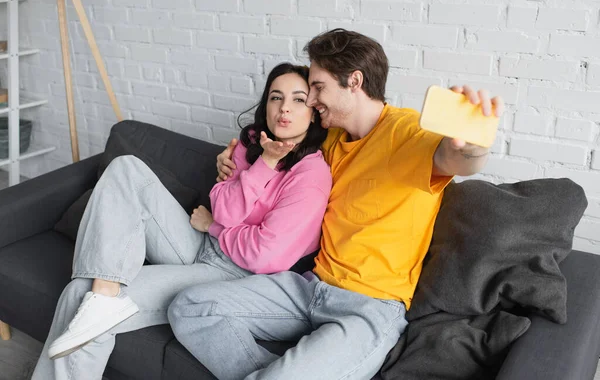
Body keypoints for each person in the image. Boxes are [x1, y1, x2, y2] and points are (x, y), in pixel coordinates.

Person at [168, 28, 504, 380]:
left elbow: (460, 160)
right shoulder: (329, 138)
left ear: (354, 81)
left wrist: (473, 143)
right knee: (190, 307)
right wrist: (231, 158)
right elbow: (267, 141)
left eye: (317, 87)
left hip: (368, 306)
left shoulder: (407, 132)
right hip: (308, 287)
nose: (310, 100)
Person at [31, 63, 332, 380]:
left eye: (299, 100)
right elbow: (226, 209)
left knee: (79, 294)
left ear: (313, 113)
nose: (284, 108)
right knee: (126, 169)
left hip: (235, 277)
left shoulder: (310, 176)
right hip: (201, 245)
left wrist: (214, 226)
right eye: (275, 97)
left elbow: (265, 257)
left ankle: (101, 299)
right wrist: (265, 163)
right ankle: (104, 291)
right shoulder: (253, 144)